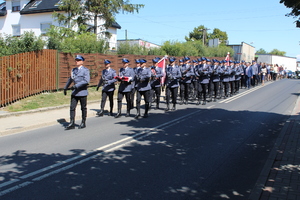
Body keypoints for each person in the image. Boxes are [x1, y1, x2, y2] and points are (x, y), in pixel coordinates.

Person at [64, 55, 90, 130]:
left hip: (82, 92)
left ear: (82, 61)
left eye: (78, 60)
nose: (76, 61)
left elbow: (86, 81)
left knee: (83, 108)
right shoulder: (73, 70)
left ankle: (83, 122)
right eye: (76, 60)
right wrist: (66, 87)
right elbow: (70, 79)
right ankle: (72, 122)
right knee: (72, 108)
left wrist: (76, 86)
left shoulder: (85, 70)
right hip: (75, 92)